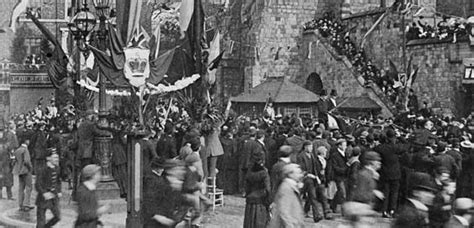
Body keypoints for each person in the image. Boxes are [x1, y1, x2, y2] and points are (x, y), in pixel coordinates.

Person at [142, 159, 188, 228]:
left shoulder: (177, 186)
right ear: (171, 171)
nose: (182, 172)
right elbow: (149, 202)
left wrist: (182, 219)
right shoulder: (157, 182)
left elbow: (183, 205)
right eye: (178, 169)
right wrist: (160, 218)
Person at [269, 163, 305, 228]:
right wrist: (290, 225)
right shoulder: (286, 188)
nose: (301, 175)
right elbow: (284, 211)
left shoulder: (292, 186)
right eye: (298, 173)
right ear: (290, 174)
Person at [243, 152, 271, 228]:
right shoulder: (264, 173)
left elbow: (246, 187)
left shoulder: (249, 172)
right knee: (260, 223)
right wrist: (268, 202)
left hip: (250, 200)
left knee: (249, 223)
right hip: (261, 201)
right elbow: (268, 189)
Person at [36, 150, 61, 228]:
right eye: (54, 157)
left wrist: (59, 191)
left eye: (57, 157)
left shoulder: (57, 168)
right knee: (41, 221)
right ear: (48, 158)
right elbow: (38, 184)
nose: (57, 159)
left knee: (57, 217)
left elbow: (58, 181)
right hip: (43, 199)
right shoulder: (42, 169)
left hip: (54, 198)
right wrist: (44, 193)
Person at [13, 139, 33, 211]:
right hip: (26, 171)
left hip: (19, 171)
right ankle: (26, 204)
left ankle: (20, 204)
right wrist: (30, 168)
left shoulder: (18, 150)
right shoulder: (25, 150)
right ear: (26, 141)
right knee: (29, 187)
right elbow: (27, 161)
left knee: (21, 188)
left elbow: (15, 160)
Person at [0, 130, 14, 200]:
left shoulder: (6, 145)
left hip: (6, 164)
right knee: (1, 179)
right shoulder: (4, 145)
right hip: (2, 165)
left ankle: (9, 195)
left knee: (8, 180)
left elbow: (11, 153)